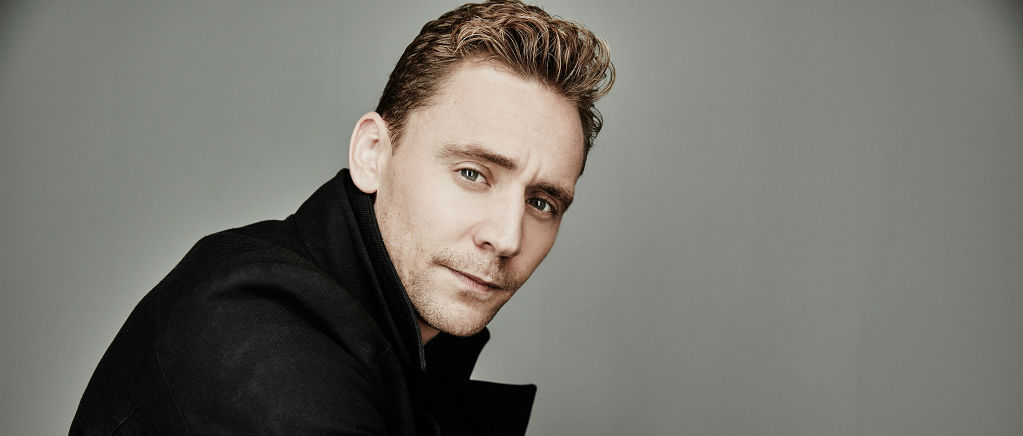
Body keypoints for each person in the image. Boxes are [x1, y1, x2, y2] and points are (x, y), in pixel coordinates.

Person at [70, 0, 614, 434]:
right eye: (472, 173)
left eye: (542, 203)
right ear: (372, 153)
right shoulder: (259, 334)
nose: (507, 236)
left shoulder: (404, 347)